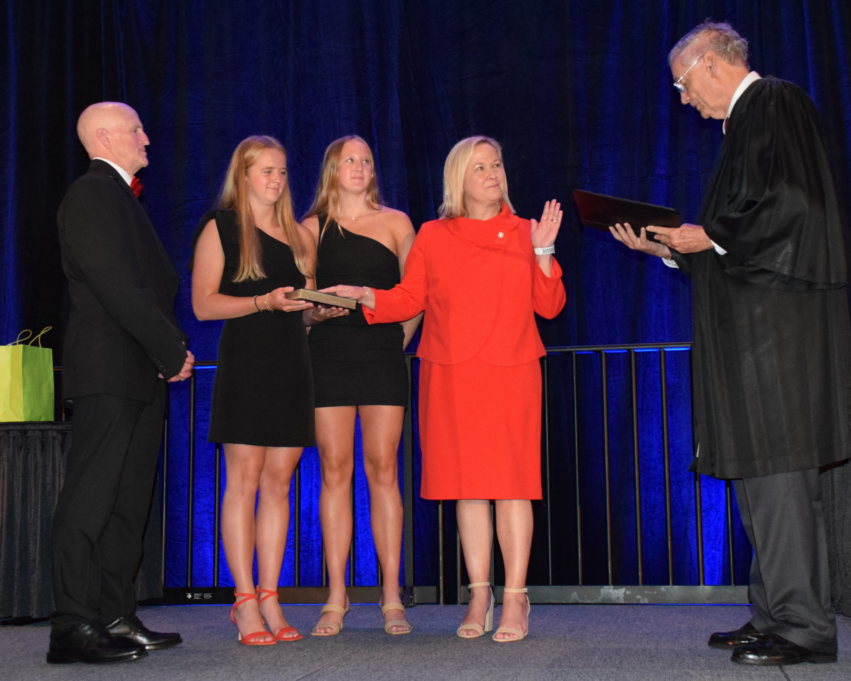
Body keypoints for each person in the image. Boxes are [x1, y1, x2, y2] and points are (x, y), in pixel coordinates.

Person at [610, 21, 850, 666]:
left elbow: (795, 208)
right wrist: (669, 245)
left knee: (778, 470)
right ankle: (773, 612)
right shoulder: (747, 125)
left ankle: (805, 625)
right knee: (759, 474)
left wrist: (708, 236)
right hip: (755, 328)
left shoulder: (773, 101)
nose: (684, 99)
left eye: (683, 85)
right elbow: (740, 237)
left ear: (713, 64)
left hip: (779, 334)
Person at [331, 136, 566, 641]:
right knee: (468, 486)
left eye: (497, 164)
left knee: (511, 485)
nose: (492, 173)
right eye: (479, 167)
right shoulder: (434, 235)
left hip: (510, 370)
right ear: (458, 179)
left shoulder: (527, 231)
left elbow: (549, 306)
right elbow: (410, 297)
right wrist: (365, 294)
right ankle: (480, 593)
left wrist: (543, 250)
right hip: (452, 373)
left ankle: (516, 598)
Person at [52, 102, 194, 664]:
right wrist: (170, 348)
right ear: (105, 136)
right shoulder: (90, 195)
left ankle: (113, 613)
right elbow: (116, 287)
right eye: (137, 129)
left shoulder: (118, 199)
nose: (147, 138)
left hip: (137, 372)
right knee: (90, 498)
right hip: (110, 371)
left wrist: (163, 353)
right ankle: (71, 623)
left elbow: (141, 287)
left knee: (128, 502)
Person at [190, 136, 344, 645]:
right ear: (244, 174)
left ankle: (271, 596)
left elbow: (299, 312)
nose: (276, 180)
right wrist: (264, 302)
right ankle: (243, 600)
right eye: (266, 172)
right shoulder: (222, 227)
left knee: (279, 481)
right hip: (246, 363)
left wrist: (318, 310)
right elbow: (204, 306)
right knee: (244, 479)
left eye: (281, 172)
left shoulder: (301, 235)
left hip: (291, 365)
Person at [301, 136, 422, 636]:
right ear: (331, 168)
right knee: (333, 469)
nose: (359, 166)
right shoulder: (309, 228)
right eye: (349, 159)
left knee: (383, 468)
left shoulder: (396, 223)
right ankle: (336, 595)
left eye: (367, 160)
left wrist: (397, 342)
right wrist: (313, 314)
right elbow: (298, 301)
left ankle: (391, 595)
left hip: (380, 353)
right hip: (327, 354)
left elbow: (415, 297)